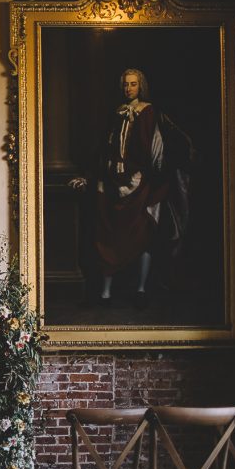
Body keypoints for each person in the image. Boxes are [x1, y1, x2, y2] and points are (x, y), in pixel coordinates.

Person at [69, 68, 190, 309]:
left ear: (140, 86)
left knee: (142, 235)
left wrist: (154, 173)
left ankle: (141, 290)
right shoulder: (117, 113)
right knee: (107, 237)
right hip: (112, 182)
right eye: (125, 84)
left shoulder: (148, 112)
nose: (128, 89)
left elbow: (156, 148)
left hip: (139, 183)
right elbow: (105, 148)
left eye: (133, 84)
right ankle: (105, 294)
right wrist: (90, 176)